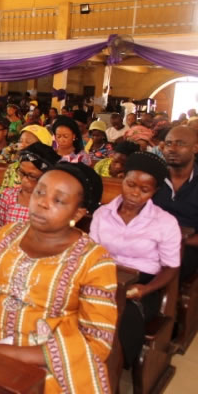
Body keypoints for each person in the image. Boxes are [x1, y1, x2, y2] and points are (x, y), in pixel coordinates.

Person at [0, 162, 117, 393]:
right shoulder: (5, 236)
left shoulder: (93, 261)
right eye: (40, 192)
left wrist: (14, 353)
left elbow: (98, 341)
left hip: (48, 360)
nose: (42, 203)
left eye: (58, 200)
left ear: (78, 213)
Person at [90, 151, 180, 368]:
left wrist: (146, 289)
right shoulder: (103, 214)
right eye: (130, 184)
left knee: (122, 318)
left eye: (144, 189)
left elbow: (171, 267)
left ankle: (111, 369)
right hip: (104, 277)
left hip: (142, 285)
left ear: (154, 191)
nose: (134, 193)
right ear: (123, 179)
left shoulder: (165, 222)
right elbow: (91, 254)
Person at [152, 126, 198, 281]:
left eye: (180, 143)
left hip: (186, 247)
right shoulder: (154, 178)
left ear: (195, 148)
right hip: (149, 240)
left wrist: (181, 240)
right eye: (168, 143)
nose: (172, 148)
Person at [0, 142, 60, 233]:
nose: (24, 180)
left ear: (48, 177)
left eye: (32, 176)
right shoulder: (9, 195)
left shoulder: (53, 205)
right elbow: (1, 226)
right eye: (21, 173)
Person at [0, 124, 53, 194]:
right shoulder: (13, 167)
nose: (22, 145)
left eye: (28, 142)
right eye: (20, 141)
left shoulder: (48, 173)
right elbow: (2, 193)